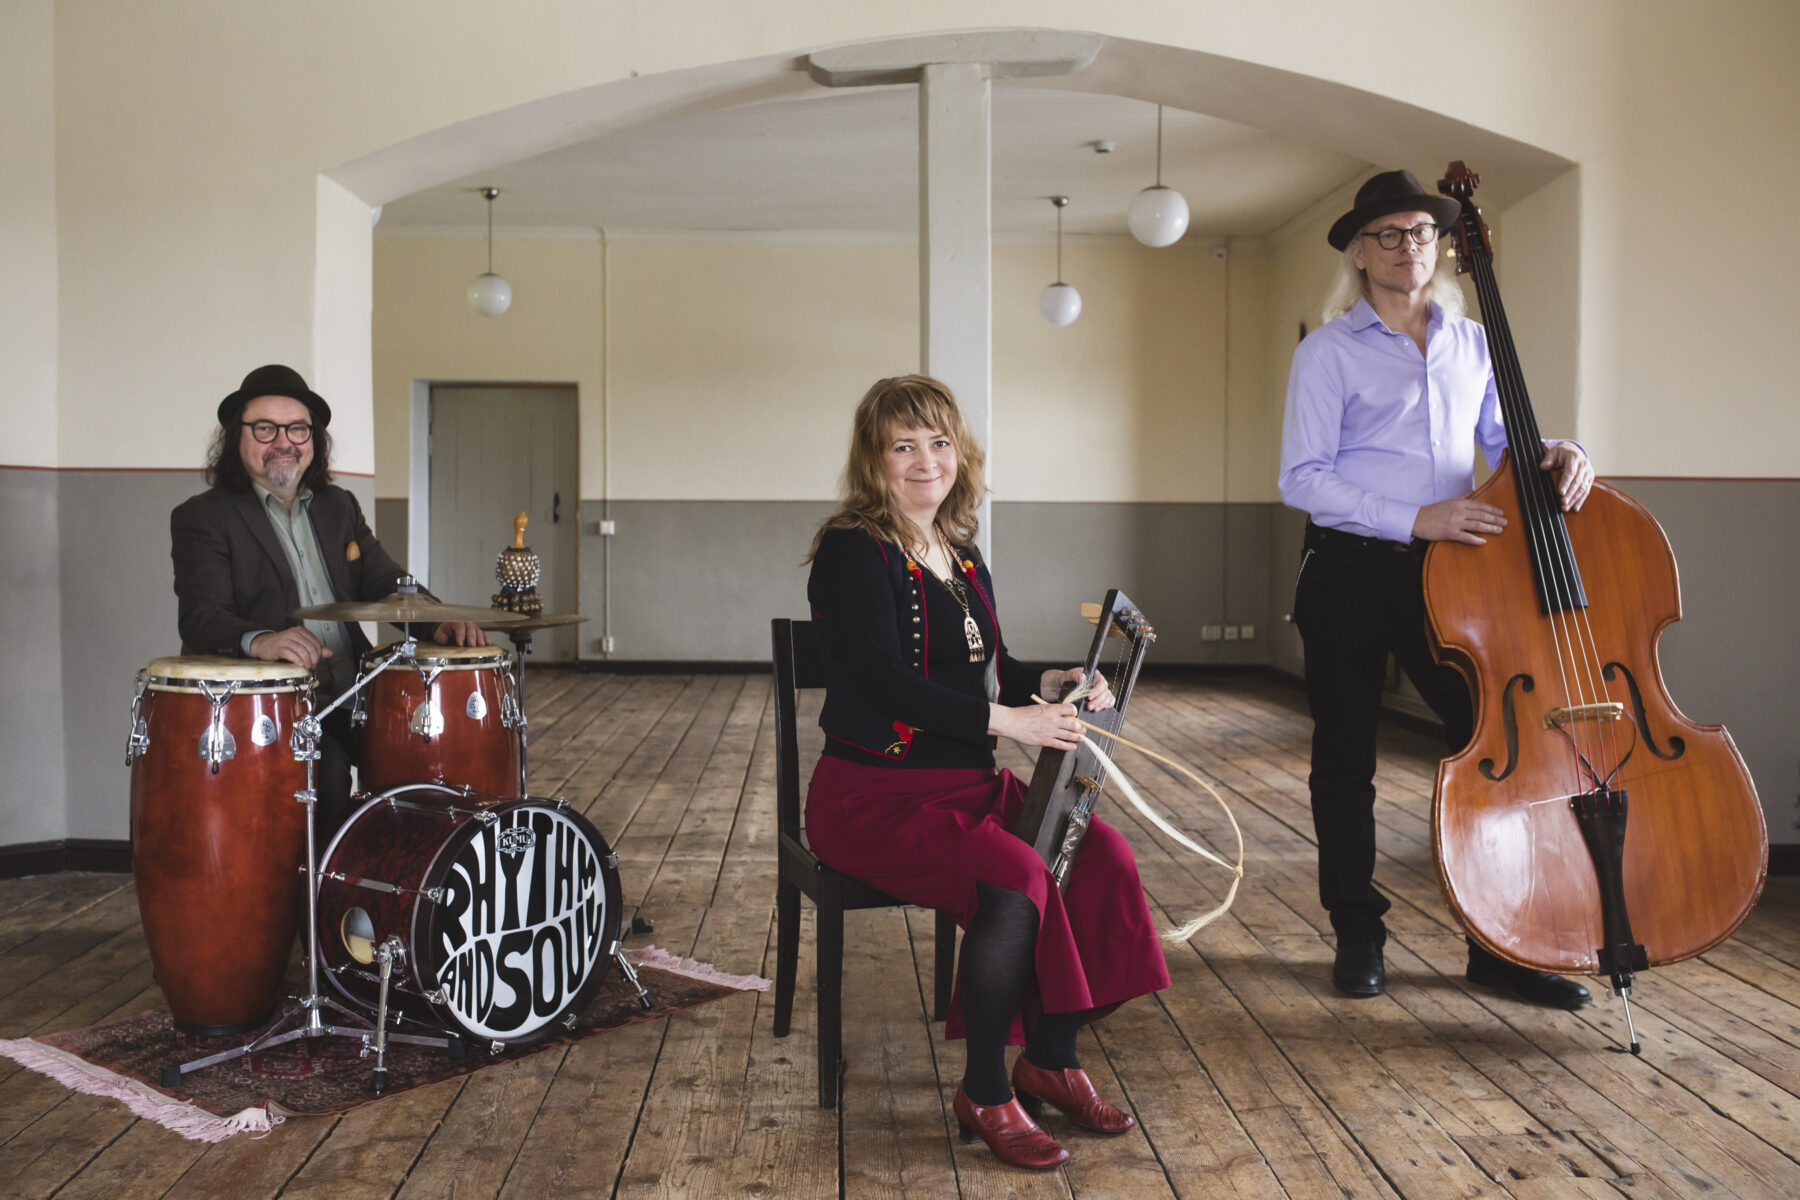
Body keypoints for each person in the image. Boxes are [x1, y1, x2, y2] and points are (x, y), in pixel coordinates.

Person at [804, 375, 1169, 1170]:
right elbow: (885, 684)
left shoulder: (963, 556)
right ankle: (985, 1091)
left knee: (1100, 856)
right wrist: (1012, 724)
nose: (925, 460)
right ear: (874, 460)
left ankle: (1050, 1055)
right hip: (872, 797)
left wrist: (1056, 685)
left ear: (959, 454)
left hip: (965, 787)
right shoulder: (849, 551)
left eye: (938, 442)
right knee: (1015, 877)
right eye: (903, 445)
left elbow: (996, 675)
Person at [1278, 170, 1595, 1009]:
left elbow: (1499, 442)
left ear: (1440, 245)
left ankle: (1496, 943)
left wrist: (1557, 450)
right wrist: (1412, 516)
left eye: (1421, 232)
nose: (1407, 247)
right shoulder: (1327, 352)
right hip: (1349, 567)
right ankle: (1358, 931)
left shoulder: (1474, 342)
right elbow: (1302, 479)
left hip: (1453, 571)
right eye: (1387, 234)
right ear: (1358, 251)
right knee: (1345, 759)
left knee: (1486, 751)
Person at [171, 363, 486, 834]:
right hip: (274, 706)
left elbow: (388, 583)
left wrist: (437, 623)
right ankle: (324, 899)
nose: (284, 441)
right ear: (236, 439)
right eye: (265, 428)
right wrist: (262, 642)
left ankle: (410, 888)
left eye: (297, 428)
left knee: (432, 746)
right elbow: (202, 617)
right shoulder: (204, 517)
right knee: (331, 769)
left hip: (357, 692)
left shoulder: (339, 506)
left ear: (313, 438)